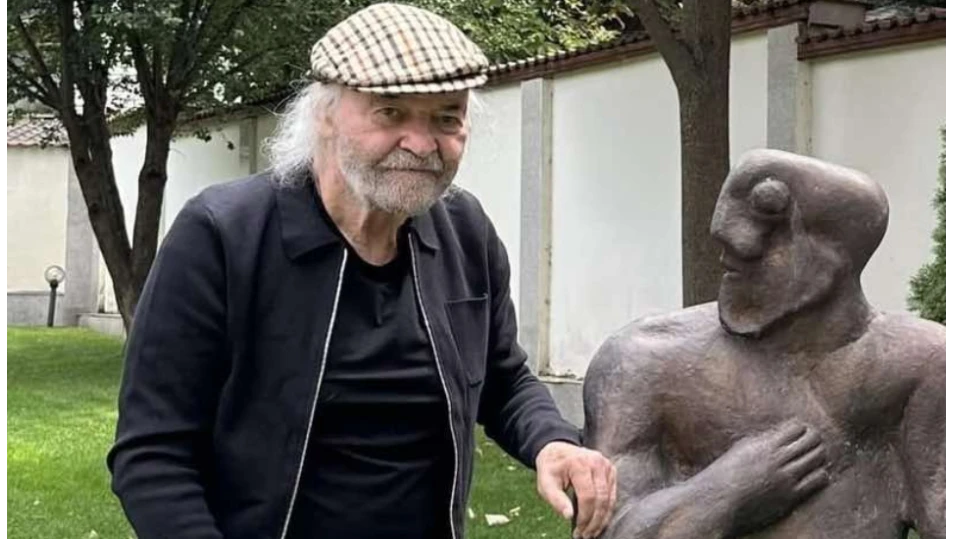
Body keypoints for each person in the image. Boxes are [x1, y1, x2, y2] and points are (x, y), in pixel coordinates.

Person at [106, 3, 615, 539]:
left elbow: (503, 378)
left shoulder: (465, 233)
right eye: (390, 112)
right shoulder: (222, 236)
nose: (421, 144)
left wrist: (552, 441)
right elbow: (152, 455)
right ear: (324, 114)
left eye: (446, 118)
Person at [582, 149, 947, 539]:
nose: (729, 254)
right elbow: (606, 530)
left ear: (830, 262)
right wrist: (727, 491)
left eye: (766, 248)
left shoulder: (920, 365)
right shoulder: (645, 360)